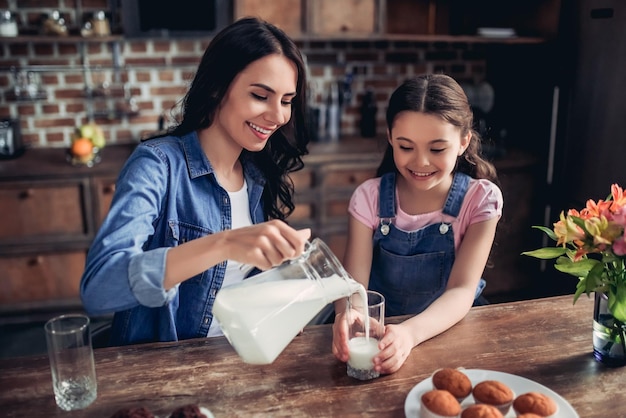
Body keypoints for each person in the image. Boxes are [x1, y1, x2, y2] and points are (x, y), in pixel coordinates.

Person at [80, 17, 312, 346]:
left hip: (240, 358)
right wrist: (224, 243)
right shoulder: (157, 166)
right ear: (218, 87)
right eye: (261, 96)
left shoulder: (257, 175)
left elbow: (234, 293)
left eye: (286, 101)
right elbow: (99, 288)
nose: (277, 116)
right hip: (166, 375)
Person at [332, 74, 503, 374]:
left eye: (437, 149)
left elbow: (462, 291)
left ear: (464, 141)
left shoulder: (480, 200)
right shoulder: (368, 198)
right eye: (406, 147)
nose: (421, 162)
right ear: (389, 138)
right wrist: (350, 316)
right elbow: (354, 291)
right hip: (382, 337)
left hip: (450, 331)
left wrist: (409, 334)